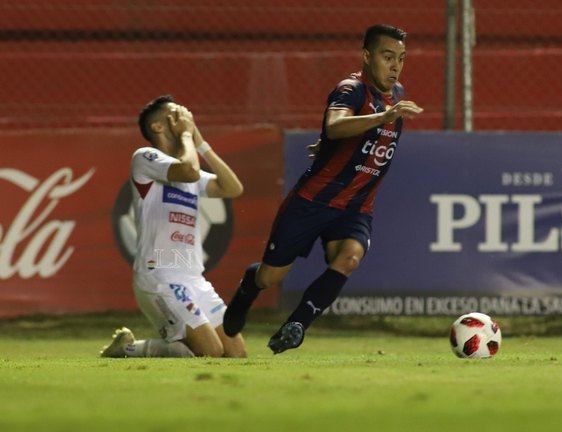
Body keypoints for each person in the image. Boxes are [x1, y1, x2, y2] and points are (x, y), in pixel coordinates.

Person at [223, 23, 424, 354]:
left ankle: (297, 325)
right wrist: (378, 119)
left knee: (350, 257)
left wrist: (334, 146)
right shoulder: (351, 88)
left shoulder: (395, 93)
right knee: (271, 277)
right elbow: (335, 124)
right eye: (388, 57)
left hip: (357, 206)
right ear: (366, 56)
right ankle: (248, 287)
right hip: (313, 201)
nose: (395, 66)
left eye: (401, 58)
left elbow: (345, 134)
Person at [101, 95, 247, 358]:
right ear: (158, 126)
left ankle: (167, 348)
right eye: (176, 115)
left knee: (236, 353)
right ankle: (130, 349)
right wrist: (187, 137)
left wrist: (200, 143)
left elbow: (232, 187)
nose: (185, 117)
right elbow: (188, 170)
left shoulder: (188, 168)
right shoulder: (145, 158)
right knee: (209, 352)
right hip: (160, 277)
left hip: (193, 279)